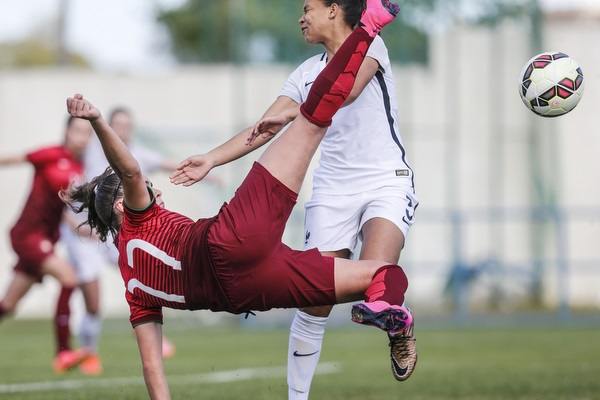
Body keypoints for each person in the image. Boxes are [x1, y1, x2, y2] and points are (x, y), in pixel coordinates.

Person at [65, 1, 405, 398]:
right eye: (136, 192)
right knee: (314, 120)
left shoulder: (132, 285)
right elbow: (131, 169)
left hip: (245, 292)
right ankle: (370, 25)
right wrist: (97, 121)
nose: (152, 191)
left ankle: (390, 312)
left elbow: (152, 365)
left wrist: (213, 156)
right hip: (230, 242)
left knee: (377, 277)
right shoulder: (139, 216)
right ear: (123, 206)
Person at [168, 0, 418, 395]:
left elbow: (345, 91)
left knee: (377, 270)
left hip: (386, 179)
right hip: (332, 190)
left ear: (334, 10)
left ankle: (398, 326)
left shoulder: (369, 45)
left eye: (308, 8)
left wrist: (292, 115)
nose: (301, 18)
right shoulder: (305, 73)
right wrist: (211, 159)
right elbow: (264, 127)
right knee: (313, 301)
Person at [58, 107, 186, 374]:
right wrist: (73, 224)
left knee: (146, 275)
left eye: (127, 125)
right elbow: (74, 185)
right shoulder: (95, 149)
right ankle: (89, 352)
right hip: (86, 235)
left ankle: (150, 332)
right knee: (93, 301)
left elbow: (165, 163)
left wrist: (211, 166)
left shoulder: (137, 154)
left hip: (115, 233)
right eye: (117, 125)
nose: (122, 130)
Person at [0, 116, 92, 373]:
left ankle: (63, 352)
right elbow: (15, 158)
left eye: (88, 133)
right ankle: (63, 352)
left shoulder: (79, 167)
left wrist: (80, 229)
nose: (83, 137)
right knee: (69, 277)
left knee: (8, 305)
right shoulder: (50, 155)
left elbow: (59, 205)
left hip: (45, 239)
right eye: (78, 131)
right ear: (67, 131)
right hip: (27, 236)